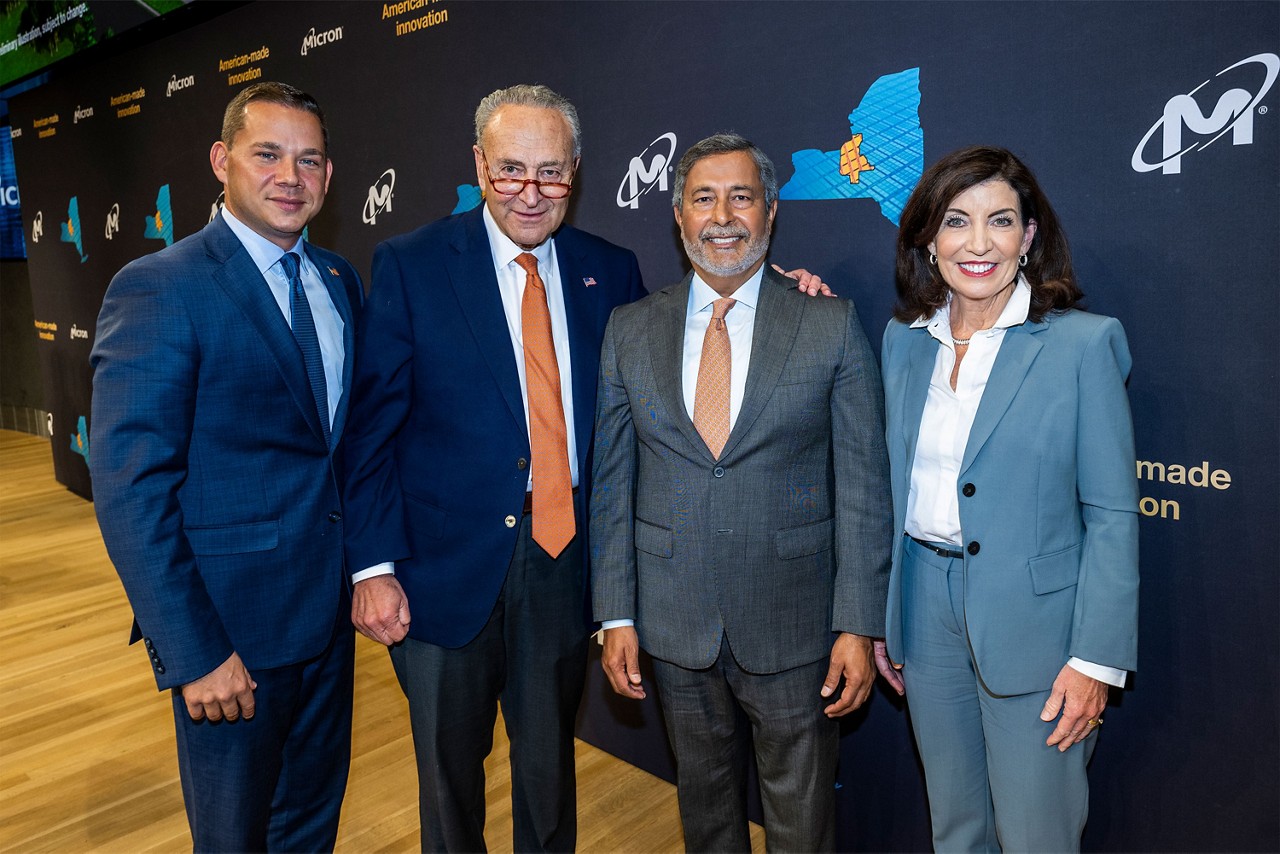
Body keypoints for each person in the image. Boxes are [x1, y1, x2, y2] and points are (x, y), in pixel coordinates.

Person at [339, 84, 644, 853]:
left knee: (548, 776)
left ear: (575, 170)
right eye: (510, 170)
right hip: (440, 570)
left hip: (561, 562)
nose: (530, 193)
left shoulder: (611, 271)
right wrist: (372, 567)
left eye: (551, 172)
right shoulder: (412, 265)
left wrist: (772, 295)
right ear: (479, 165)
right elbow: (371, 431)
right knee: (449, 783)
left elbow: (665, 376)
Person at [590, 133, 893, 852]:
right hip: (673, 625)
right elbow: (611, 485)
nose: (722, 216)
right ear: (678, 215)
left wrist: (858, 625)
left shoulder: (829, 323)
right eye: (703, 198)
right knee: (706, 815)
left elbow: (863, 489)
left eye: (741, 197)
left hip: (796, 626)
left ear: (770, 211)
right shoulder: (629, 329)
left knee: (802, 823)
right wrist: (615, 614)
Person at [90, 82, 363, 851]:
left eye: (309, 160)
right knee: (235, 838)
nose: (291, 177)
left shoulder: (339, 280)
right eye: (268, 154)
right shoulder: (161, 286)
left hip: (326, 625)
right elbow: (131, 490)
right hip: (229, 639)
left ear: (328, 174)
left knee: (309, 827)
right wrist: (195, 652)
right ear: (221, 160)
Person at [878, 145, 1139, 852]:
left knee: (1035, 835)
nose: (978, 243)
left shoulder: (1083, 345)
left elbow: (1112, 515)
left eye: (1000, 221)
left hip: (1038, 627)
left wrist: (1095, 660)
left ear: (1027, 238)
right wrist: (884, 614)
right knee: (956, 826)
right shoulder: (904, 342)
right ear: (928, 241)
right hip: (924, 611)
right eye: (956, 221)